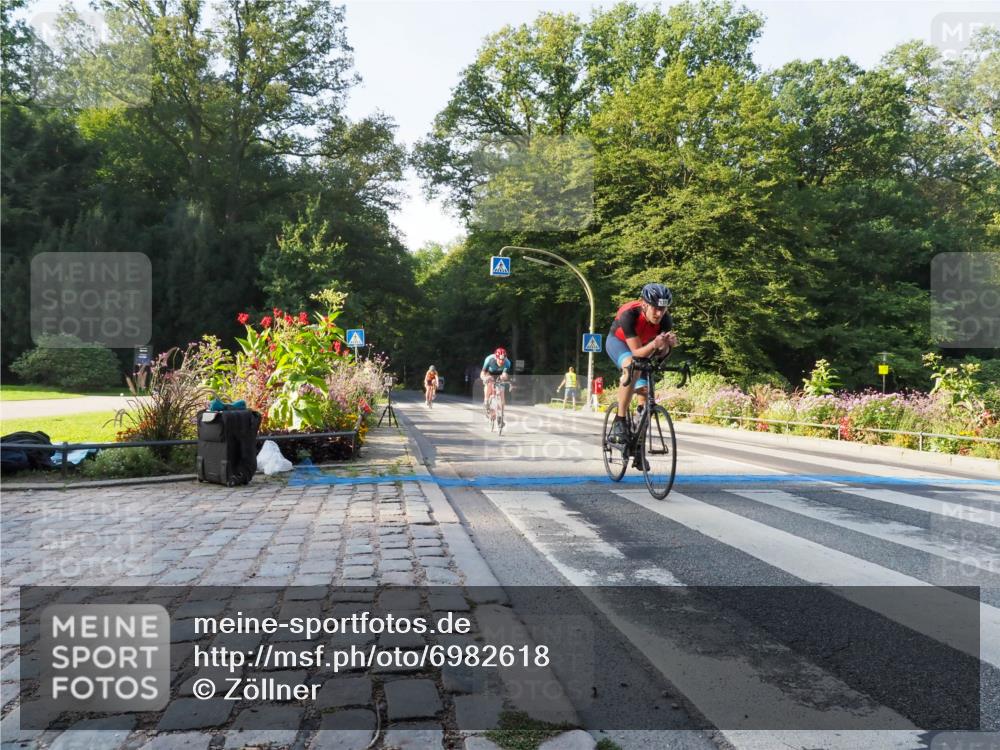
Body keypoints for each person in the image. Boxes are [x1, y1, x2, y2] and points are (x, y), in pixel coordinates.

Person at [606, 283, 678, 455]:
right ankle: (620, 420)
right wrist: (655, 344)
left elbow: (661, 355)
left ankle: (638, 444)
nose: (659, 313)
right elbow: (637, 353)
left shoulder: (666, 320)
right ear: (644, 303)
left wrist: (667, 346)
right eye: (655, 308)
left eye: (663, 308)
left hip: (644, 347)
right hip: (619, 344)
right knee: (632, 366)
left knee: (645, 392)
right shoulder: (629, 314)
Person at [481, 347, 512, 418]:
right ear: (496, 358)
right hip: (489, 373)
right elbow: (482, 373)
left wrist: (504, 377)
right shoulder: (489, 360)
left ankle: (501, 416)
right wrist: (484, 378)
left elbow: (505, 374)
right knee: (489, 383)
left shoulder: (507, 363)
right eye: (499, 360)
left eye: (503, 360)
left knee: (501, 391)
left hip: (500, 375)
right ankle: (486, 400)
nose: (501, 361)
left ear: (505, 358)